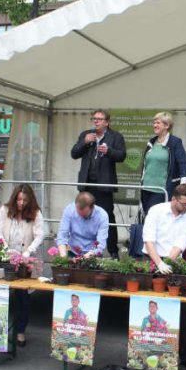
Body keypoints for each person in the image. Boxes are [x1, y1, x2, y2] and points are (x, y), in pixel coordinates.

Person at [142, 184, 186, 370]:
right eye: (184, 204)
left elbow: (180, 243)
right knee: (148, 308)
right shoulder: (156, 211)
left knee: (183, 309)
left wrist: (168, 263)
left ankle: (185, 355)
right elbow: (148, 240)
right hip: (152, 257)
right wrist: (158, 264)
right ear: (174, 199)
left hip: (173, 260)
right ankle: (144, 353)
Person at [71, 109, 126, 259]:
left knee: (107, 216)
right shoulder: (86, 135)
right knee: (84, 214)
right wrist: (84, 142)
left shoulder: (115, 136)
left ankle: (113, 250)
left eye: (99, 119)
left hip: (104, 185)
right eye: (94, 118)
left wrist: (109, 151)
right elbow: (74, 153)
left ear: (107, 122)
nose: (96, 121)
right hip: (87, 184)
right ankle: (84, 249)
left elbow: (122, 156)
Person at [0, 184, 45, 347]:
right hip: (6, 256)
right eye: (19, 199)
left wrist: (28, 252)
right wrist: (6, 250)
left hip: (25, 259)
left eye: (24, 200)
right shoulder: (5, 210)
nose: (21, 203)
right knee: (1, 293)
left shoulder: (36, 213)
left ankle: (20, 330)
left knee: (23, 296)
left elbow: (39, 235)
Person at [140, 111, 186, 214]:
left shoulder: (175, 142)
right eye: (154, 123)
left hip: (161, 190)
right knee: (147, 216)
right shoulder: (152, 142)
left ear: (167, 125)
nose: (154, 125)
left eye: (158, 123)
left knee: (153, 216)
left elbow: (183, 163)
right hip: (145, 188)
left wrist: (184, 183)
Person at [57, 192, 109, 258]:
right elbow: (62, 235)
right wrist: (63, 257)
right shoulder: (69, 209)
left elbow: (101, 243)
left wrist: (86, 257)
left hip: (93, 253)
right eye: (79, 213)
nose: (81, 216)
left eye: (84, 214)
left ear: (92, 207)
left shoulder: (102, 215)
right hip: (72, 251)